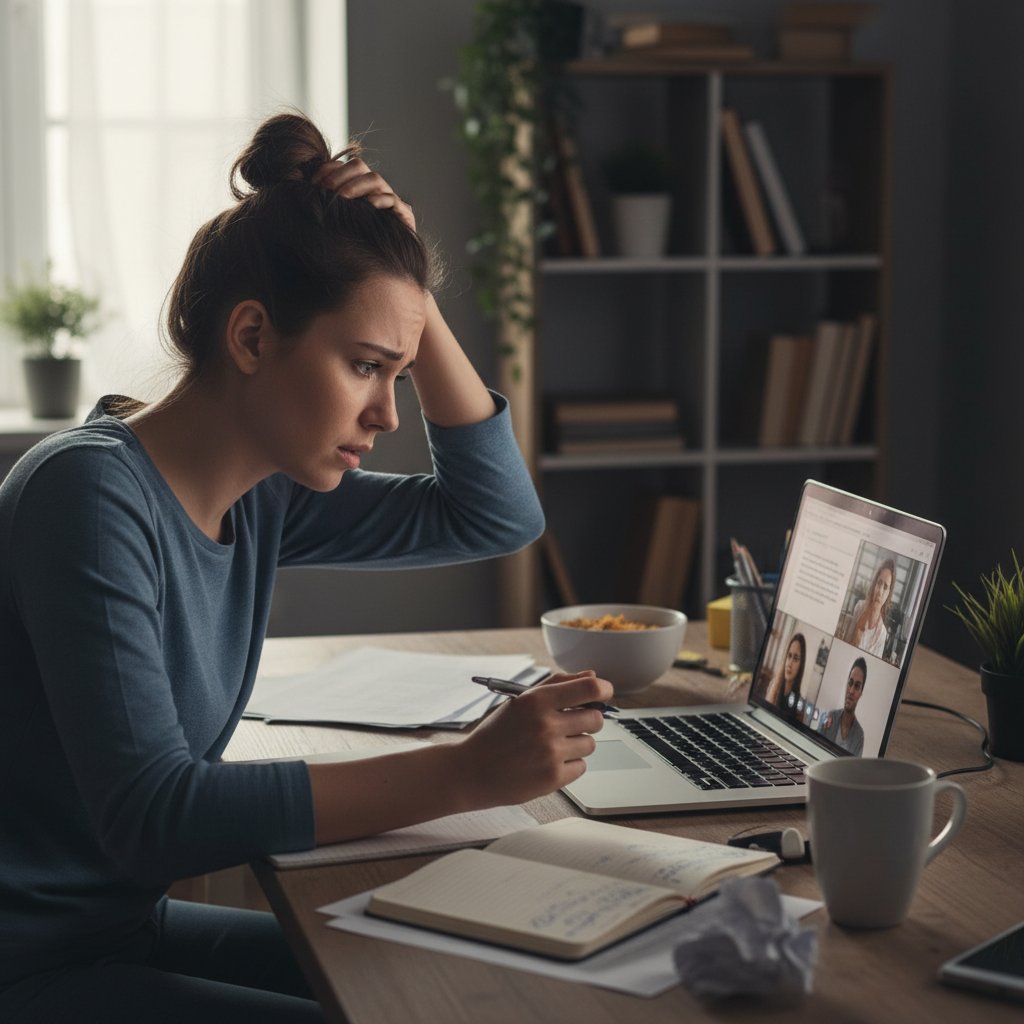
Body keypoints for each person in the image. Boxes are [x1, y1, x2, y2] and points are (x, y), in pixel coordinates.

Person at [0, 113, 613, 1023]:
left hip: (118, 932)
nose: (389, 415)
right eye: (367, 367)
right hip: (28, 967)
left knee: (466, 989)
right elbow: (153, 814)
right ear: (251, 338)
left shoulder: (257, 494)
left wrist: (406, 291)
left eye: (396, 374)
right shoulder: (87, 495)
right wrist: (466, 773)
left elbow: (494, 514)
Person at [844, 558, 895, 658]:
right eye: (879, 583)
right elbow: (845, 643)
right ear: (874, 584)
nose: (880, 591)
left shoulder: (882, 634)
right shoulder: (859, 607)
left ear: (888, 593)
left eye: (885, 587)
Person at [820, 657, 867, 756]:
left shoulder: (859, 735)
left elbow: (854, 769)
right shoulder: (831, 716)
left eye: (857, 686)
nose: (851, 691)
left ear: (861, 693)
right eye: (850, 683)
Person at [764, 632, 806, 720]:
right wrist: (777, 681)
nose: (790, 663)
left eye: (795, 658)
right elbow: (765, 713)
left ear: (801, 665)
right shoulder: (774, 684)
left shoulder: (800, 704)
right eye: (789, 656)